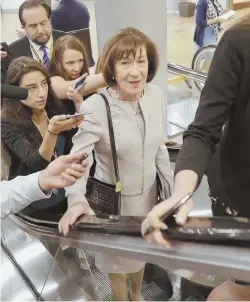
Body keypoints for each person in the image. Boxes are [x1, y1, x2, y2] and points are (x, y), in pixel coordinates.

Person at [58, 27, 173, 301]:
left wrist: (171, 193)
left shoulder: (155, 95)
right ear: (110, 68)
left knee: (141, 254)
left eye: (141, 61)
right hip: (113, 203)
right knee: (117, 261)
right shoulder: (96, 107)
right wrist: (75, 200)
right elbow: (78, 161)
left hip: (148, 198)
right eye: (125, 63)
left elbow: (159, 148)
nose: (136, 72)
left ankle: (136, 295)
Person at [142, 15, 250, 301]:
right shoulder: (240, 41)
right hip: (239, 197)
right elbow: (203, 130)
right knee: (238, 284)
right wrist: (181, 194)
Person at [1, 56, 83, 181]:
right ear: (15, 90)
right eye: (32, 88)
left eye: (44, 84)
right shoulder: (7, 121)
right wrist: (52, 132)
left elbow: (73, 139)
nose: (42, 93)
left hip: (65, 186)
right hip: (33, 193)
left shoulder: (51, 105)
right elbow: (36, 164)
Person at [1, 154, 88, 219]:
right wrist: (52, 133)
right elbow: (34, 160)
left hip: (53, 190)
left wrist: (42, 179)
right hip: (35, 205)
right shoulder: (10, 131)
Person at [49, 35, 90, 114]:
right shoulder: (53, 80)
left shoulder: (86, 75)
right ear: (58, 63)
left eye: (80, 60)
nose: (77, 68)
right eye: (70, 63)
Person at [51, 0, 95, 67]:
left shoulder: (56, 12)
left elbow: (54, 35)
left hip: (67, 57)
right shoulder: (83, 7)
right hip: (85, 55)